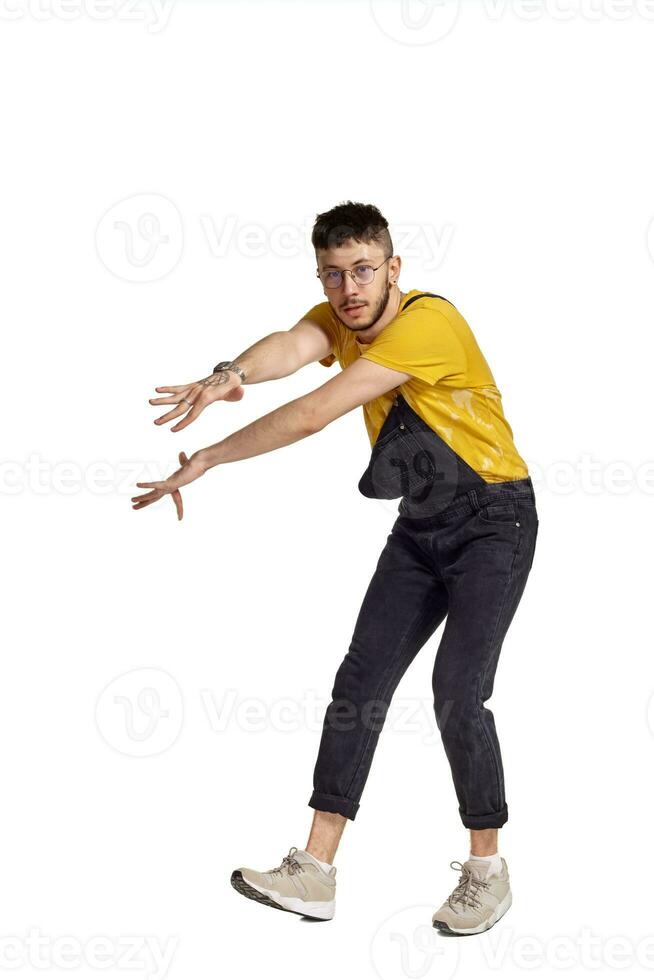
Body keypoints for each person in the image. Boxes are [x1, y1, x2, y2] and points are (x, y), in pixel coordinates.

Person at [132, 201, 539, 934]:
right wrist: (228, 374)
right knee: (360, 682)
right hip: (421, 526)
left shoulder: (426, 323)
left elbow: (315, 411)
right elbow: (290, 347)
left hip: (495, 521)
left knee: (457, 691)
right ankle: (315, 872)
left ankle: (487, 869)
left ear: (393, 269)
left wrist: (215, 455)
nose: (349, 288)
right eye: (333, 274)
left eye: (362, 270)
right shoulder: (341, 319)